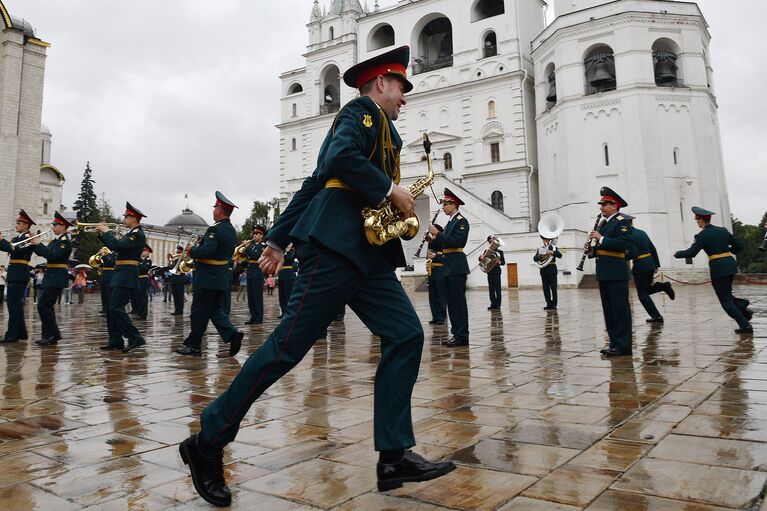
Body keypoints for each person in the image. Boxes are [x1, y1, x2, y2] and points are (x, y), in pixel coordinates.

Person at [178, 46, 454, 508]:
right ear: (380, 83)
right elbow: (339, 165)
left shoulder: (383, 128)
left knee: (406, 334)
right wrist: (390, 189)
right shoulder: (361, 113)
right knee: (284, 350)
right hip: (334, 249)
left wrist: (276, 239)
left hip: (367, 257)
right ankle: (206, 442)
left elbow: (314, 181)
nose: (405, 96)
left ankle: (393, 455)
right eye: (401, 86)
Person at [175, 192, 244, 357]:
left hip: (207, 278)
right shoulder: (231, 230)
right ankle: (232, 334)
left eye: (215, 207)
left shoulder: (215, 229)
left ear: (220, 210)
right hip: (219, 278)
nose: (213, 211)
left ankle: (194, 346)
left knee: (198, 312)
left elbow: (208, 251)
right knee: (214, 310)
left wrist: (192, 250)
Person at [674, 206, 753, 333]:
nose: (697, 222)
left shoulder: (702, 235)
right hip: (730, 265)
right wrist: (731, 251)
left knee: (725, 301)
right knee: (727, 295)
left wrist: (678, 254)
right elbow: (739, 244)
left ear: (700, 219)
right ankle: (744, 310)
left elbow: (692, 252)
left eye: (697, 220)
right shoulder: (722, 230)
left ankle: (745, 324)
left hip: (718, 268)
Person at [588, 187, 634, 357]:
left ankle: (624, 346)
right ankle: (614, 342)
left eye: (604, 204)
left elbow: (623, 244)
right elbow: (603, 248)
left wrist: (601, 238)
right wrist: (591, 250)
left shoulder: (623, 221)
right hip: (605, 271)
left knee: (620, 310)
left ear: (614, 205)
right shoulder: (604, 223)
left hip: (616, 272)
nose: (601, 207)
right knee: (609, 310)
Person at [97, 202, 148, 353]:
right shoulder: (131, 233)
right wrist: (102, 234)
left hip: (127, 274)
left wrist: (106, 232)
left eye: (126, 216)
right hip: (120, 273)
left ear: (134, 218)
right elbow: (116, 246)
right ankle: (115, 340)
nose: (124, 218)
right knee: (111, 308)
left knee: (115, 307)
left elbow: (118, 246)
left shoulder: (137, 234)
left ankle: (135, 337)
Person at [429, 188, 470, 347]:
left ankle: (462, 336)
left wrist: (438, 234)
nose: (443, 207)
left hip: (456, 266)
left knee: (458, 303)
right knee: (451, 304)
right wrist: (432, 238)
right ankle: (456, 334)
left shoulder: (461, 221)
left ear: (453, 204)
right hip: (448, 266)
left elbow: (458, 243)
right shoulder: (450, 222)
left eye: (445, 204)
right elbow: (444, 244)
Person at [30, 212, 73, 345]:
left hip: (57, 276)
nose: (53, 227)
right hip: (52, 275)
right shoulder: (56, 240)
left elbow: (52, 255)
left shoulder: (64, 242)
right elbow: (45, 253)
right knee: (46, 306)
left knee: (44, 305)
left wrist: (39, 244)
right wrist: (34, 244)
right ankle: (50, 335)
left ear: (63, 226)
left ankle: (52, 335)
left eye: (55, 225)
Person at [626, 217, 674, 323]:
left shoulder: (628, 235)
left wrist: (622, 257)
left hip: (640, 266)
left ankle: (656, 316)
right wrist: (656, 264)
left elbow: (632, 253)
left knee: (642, 294)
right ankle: (663, 286)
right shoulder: (641, 233)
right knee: (646, 290)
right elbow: (653, 248)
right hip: (650, 263)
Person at [0, 210, 36, 343]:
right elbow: (7, 248)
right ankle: (20, 333)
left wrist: (2, 240)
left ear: (26, 225)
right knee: (14, 305)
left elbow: (15, 250)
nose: (16, 225)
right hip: (15, 272)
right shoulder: (17, 238)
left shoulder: (28, 238)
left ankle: (12, 334)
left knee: (13, 304)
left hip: (20, 272)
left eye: (18, 223)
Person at [244, 225, 266, 324]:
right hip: (250, 272)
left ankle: (259, 317)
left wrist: (247, 248)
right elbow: (248, 258)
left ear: (262, 235)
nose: (255, 235)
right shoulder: (252, 246)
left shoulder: (263, 246)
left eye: (257, 234)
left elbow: (256, 256)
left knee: (257, 296)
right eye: (254, 233)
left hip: (257, 272)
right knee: (251, 296)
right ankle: (253, 316)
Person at [534, 235, 562, 310]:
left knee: (553, 288)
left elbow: (560, 255)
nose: (545, 241)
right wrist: (540, 256)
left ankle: (554, 304)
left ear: (549, 240)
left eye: (547, 240)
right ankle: (548, 303)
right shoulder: (540, 249)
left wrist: (552, 252)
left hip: (552, 269)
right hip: (543, 270)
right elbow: (534, 258)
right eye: (544, 240)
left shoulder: (553, 247)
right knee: (545, 288)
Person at [426, 225, 447, 325]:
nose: (432, 233)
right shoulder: (431, 242)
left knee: (441, 294)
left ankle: (442, 316)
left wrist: (436, 255)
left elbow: (446, 257)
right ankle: (435, 316)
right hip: (431, 270)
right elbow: (428, 255)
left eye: (434, 231)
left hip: (440, 269)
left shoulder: (444, 242)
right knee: (432, 295)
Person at [483, 235, 505, 310]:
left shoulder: (500, 252)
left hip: (496, 272)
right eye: (491, 242)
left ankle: (498, 305)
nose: (492, 243)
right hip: (489, 271)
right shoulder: (486, 251)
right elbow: (483, 261)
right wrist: (480, 258)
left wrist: (499, 262)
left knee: (497, 289)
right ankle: (493, 304)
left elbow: (503, 262)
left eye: (493, 242)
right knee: (491, 289)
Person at [277, 242, 297, 318]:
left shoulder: (292, 252)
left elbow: (289, 259)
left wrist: (287, 251)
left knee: (288, 295)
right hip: (281, 274)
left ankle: (290, 313)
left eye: (289, 244)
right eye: (287, 244)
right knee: (282, 296)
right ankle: (283, 312)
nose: (287, 246)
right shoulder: (282, 252)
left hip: (289, 275)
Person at [133, 245, 152, 320]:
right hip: (138, 280)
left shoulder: (148, 260)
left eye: (143, 251)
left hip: (143, 280)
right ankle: (139, 313)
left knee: (143, 299)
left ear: (147, 252)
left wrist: (138, 264)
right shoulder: (139, 260)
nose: (142, 252)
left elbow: (144, 268)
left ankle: (143, 315)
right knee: (138, 298)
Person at [169, 245, 186, 315]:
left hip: (180, 279)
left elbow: (183, 268)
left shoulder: (184, 260)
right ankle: (176, 310)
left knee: (180, 296)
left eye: (179, 252)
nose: (177, 254)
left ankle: (180, 310)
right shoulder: (175, 260)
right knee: (175, 296)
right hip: (174, 279)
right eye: (177, 252)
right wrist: (170, 262)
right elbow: (171, 268)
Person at [98, 248, 116, 314]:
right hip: (104, 275)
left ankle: (109, 308)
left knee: (109, 293)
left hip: (110, 275)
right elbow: (101, 265)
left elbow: (111, 263)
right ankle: (104, 308)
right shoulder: (106, 254)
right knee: (103, 293)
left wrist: (103, 256)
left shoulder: (114, 254)